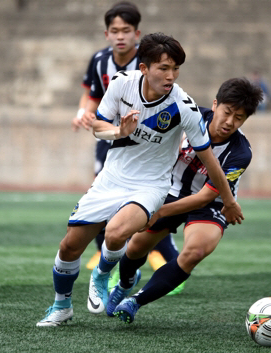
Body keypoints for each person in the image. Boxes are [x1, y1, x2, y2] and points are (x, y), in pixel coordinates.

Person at [36, 32, 244, 327]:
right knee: (69, 246)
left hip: (151, 185)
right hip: (112, 178)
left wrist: (231, 201)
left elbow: (210, 161)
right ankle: (61, 307)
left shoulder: (184, 106)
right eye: (164, 68)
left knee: (117, 233)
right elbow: (97, 125)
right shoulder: (122, 84)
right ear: (144, 68)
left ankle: (102, 275)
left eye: (175, 69)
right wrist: (118, 132)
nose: (171, 75)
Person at [107, 77, 263, 323]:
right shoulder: (188, 115)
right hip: (167, 189)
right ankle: (126, 283)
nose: (230, 122)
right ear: (215, 104)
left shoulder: (241, 153)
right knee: (136, 247)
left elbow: (204, 197)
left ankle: (135, 301)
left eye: (239, 118)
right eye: (228, 112)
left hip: (210, 204)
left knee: (195, 251)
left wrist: (158, 213)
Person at [70, 2, 180, 281]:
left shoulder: (149, 63)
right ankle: (104, 252)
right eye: (114, 30)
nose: (120, 36)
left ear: (136, 33)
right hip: (111, 136)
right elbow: (92, 96)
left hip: (147, 141)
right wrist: (83, 112)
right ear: (106, 34)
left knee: (145, 201)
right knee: (103, 192)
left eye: (126, 30)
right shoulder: (99, 60)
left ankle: (164, 255)